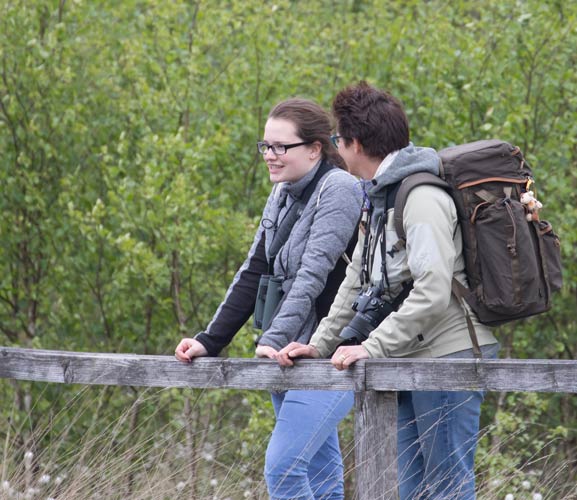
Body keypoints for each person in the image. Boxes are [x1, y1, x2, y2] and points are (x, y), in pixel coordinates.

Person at [276, 82, 500, 499]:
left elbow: (433, 291)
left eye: (338, 140)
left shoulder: (421, 198)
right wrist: (321, 344)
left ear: (356, 144)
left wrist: (371, 346)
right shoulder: (381, 198)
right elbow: (357, 280)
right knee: (412, 490)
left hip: (447, 356)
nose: (337, 149)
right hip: (410, 357)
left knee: (447, 489)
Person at [175, 98, 363, 500]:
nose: (270, 155)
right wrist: (210, 340)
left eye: (281, 146)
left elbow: (313, 274)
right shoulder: (283, 191)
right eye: (265, 146)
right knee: (321, 478)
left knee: (284, 469)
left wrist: (272, 339)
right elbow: (254, 270)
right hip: (287, 353)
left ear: (314, 149)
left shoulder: (340, 189)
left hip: (330, 351)